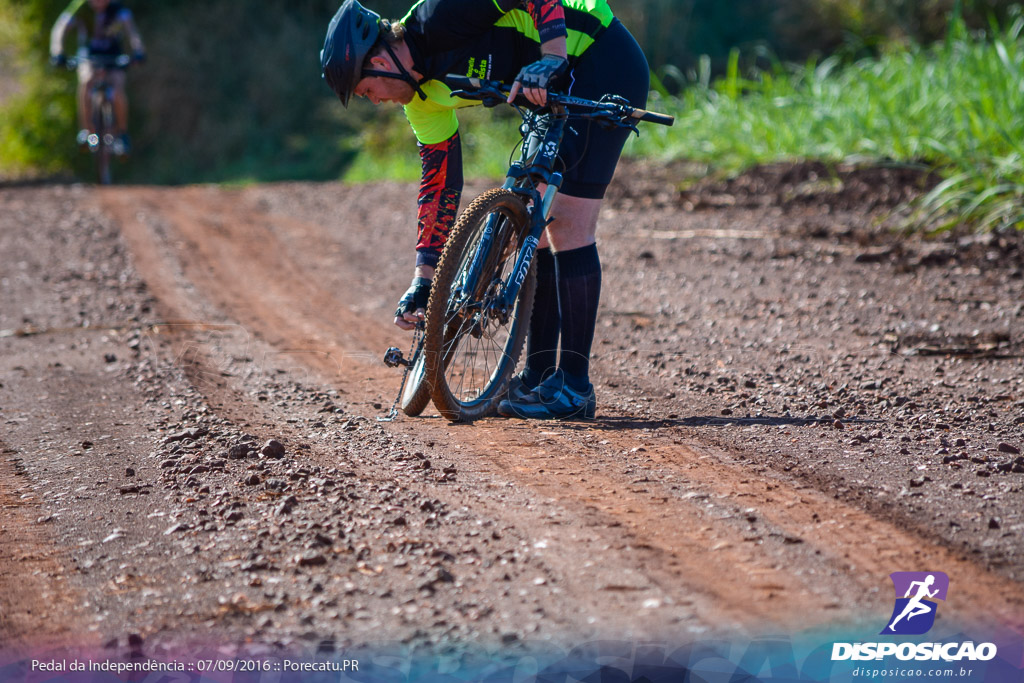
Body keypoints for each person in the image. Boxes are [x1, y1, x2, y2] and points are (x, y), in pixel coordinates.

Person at [321, 0, 649, 419]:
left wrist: (551, 57)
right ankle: (536, 376)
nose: (374, 102)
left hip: (599, 58)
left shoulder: (440, 15)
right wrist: (424, 279)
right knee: (536, 217)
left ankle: (574, 387)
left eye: (366, 90)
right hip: (547, 84)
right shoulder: (420, 100)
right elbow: (439, 184)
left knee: (566, 222)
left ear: (382, 60)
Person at [50, 0, 146, 156]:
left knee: (117, 89)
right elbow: (60, 29)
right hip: (89, 56)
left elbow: (132, 32)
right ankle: (87, 133)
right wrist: (57, 51)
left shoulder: (118, 9)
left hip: (113, 56)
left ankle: (122, 134)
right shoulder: (79, 7)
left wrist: (139, 51)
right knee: (86, 82)